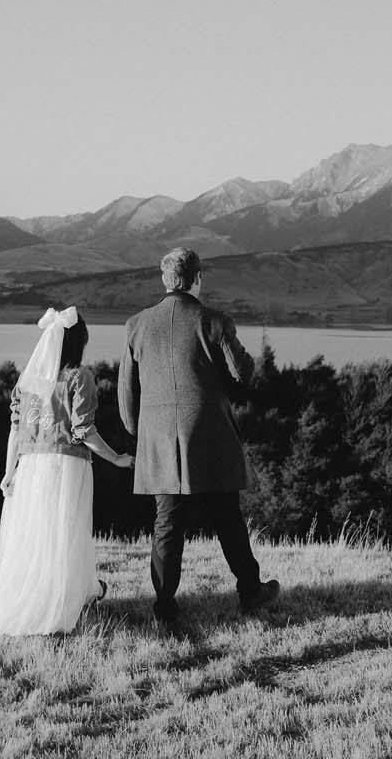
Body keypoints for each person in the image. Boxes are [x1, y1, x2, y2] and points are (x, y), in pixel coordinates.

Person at [118, 247, 279, 627]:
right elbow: (244, 373)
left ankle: (164, 606)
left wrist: (138, 435)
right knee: (227, 517)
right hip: (210, 437)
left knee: (167, 523)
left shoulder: (136, 325)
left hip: (157, 439)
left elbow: (126, 395)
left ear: (165, 280)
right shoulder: (214, 321)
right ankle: (251, 591)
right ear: (198, 279)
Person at [0, 307, 134, 637]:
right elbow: (84, 432)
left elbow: (16, 428)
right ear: (78, 343)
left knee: (36, 535)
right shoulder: (78, 377)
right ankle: (66, 600)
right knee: (66, 533)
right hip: (66, 466)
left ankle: (55, 596)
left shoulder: (28, 383)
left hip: (29, 467)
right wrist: (116, 459)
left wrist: (9, 471)